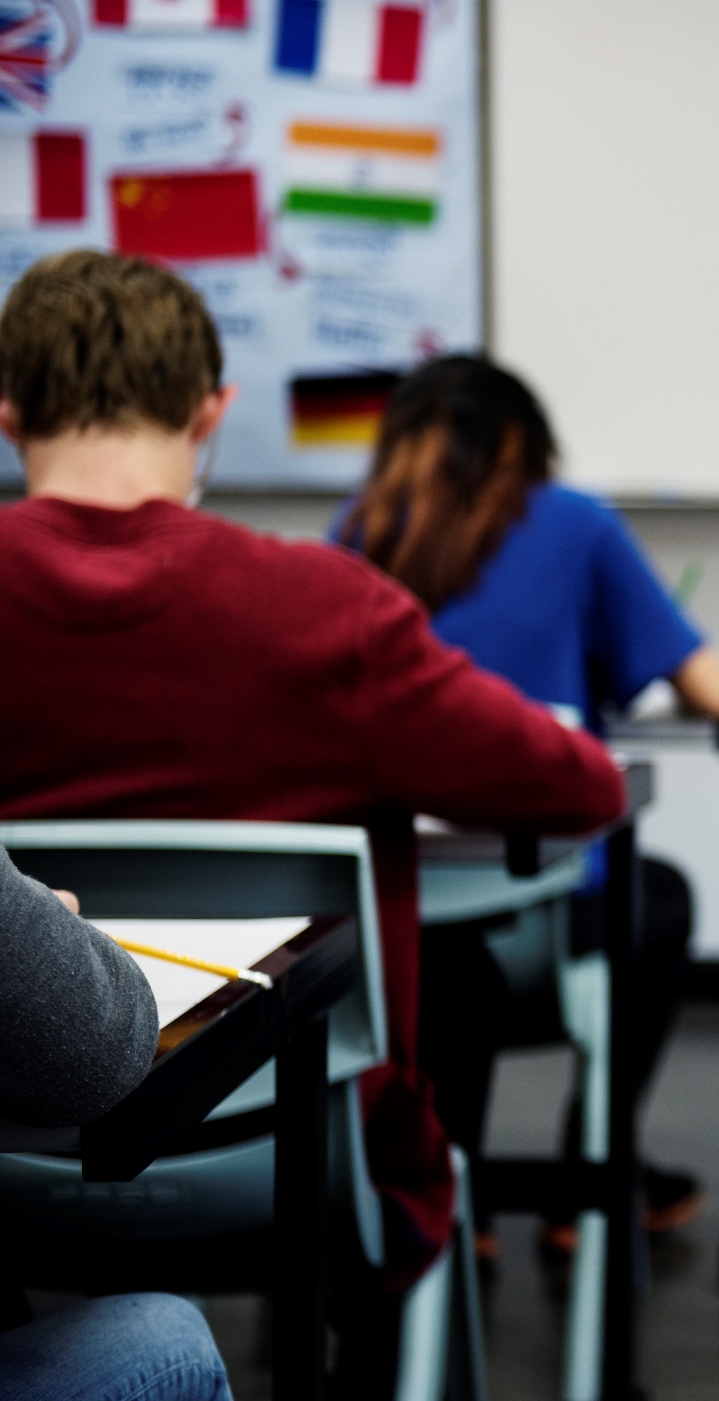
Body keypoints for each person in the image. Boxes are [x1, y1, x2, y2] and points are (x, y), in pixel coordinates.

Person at [0, 249, 625, 1387]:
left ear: (7, 417)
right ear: (213, 412)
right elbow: (581, 789)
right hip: (308, 1159)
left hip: (15, 1161)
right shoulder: (328, 612)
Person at [336, 354, 719, 1251]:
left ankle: (446, 1182)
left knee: (444, 946)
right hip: (537, 935)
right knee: (657, 898)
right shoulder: (576, 523)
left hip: (378, 930)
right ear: (523, 444)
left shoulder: (354, 533)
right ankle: (587, 1175)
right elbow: (705, 686)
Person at [0, 847, 232, 1401]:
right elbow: (92, 1047)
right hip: (253, 1172)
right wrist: (39, 931)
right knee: (171, 1342)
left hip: (27, 1203)